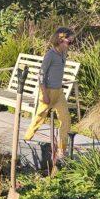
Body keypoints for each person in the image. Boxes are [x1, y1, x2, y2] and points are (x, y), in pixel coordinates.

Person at [23, 27, 75, 157]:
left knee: (66, 119)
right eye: (69, 42)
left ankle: (62, 149)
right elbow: (41, 75)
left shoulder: (63, 53)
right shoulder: (50, 55)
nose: (70, 45)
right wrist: (44, 94)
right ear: (60, 40)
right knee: (39, 118)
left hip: (59, 92)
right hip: (48, 92)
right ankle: (26, 141)